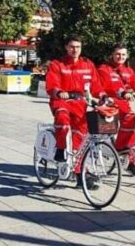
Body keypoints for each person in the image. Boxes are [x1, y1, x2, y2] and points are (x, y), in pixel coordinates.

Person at [45, 36, 106, 185]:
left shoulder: (88, 64)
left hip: (80, 103)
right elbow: (52, 83)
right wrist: (58, 91)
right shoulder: (57, 64)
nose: (75, 50)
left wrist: (102, 95)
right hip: (62, 101)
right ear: (66, 47)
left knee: (81, 137)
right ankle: (60, 149)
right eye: (72, 46)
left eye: (78, 47)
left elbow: (96, 85)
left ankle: (79, 173)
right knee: (63, 122)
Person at [97, 44, 135, 176]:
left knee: (132, 126)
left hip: (123, 104)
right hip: (109, 104)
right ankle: (119, 148)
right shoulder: (104, 69)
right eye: (118, 54)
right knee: (129, 119)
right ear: (112, 55)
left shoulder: (127, 71)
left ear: (127, 56)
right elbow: (111, 86)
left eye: (123, 54)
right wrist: (123, 93)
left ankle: (129, 160)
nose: (120, 57)